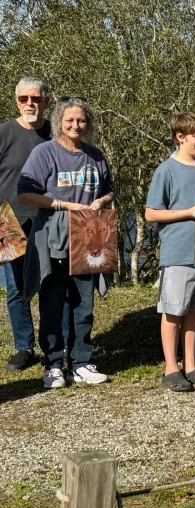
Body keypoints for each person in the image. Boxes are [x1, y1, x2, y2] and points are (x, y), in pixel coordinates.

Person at [18, 96, 114, 389]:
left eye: (81, 120)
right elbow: (25, 193)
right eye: (70, 120)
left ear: (88, 123)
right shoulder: (44, 152)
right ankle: (54, 365)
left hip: (89, 235)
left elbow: (109, 189)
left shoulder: (95, 155)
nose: (76, 125)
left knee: (83, 303)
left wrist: (101, 200)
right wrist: (63, 205)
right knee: (53, 300)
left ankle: (81, 362)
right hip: (54, 234)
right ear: (59, 120)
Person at [145, 112, 195, 392]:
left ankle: (190, 365)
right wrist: (188, 213)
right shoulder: (166, 170)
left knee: (194, 309)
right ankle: (170, 368)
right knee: (173, 310)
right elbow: (151, 213)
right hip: (178, 252)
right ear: (180, 137)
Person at [0, 77, 52, 372]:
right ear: (16, 100)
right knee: (16, 287)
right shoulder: (4, 133)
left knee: (51, 283)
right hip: (8, 220)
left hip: (48, 220)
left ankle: (54, 344)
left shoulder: (57, 132)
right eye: (24, 99)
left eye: (36, 98)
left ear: (46, 100)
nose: (30, 104)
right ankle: (23, 346)